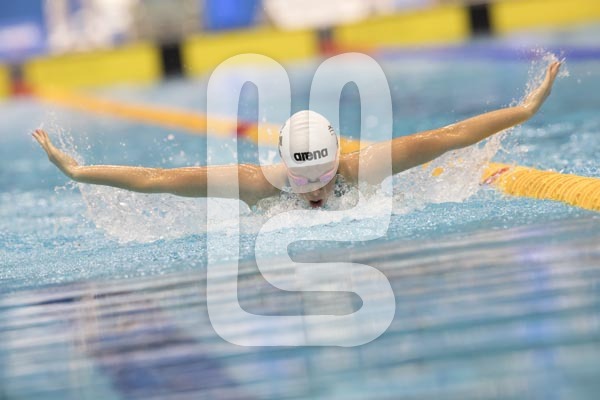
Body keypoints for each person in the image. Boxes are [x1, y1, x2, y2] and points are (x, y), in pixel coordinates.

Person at [33, 62, 561, 209]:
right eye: (304, 181)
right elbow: (157, 179)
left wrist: (523, 109)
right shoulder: (254, 184)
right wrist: (79, 171)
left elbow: (451, 135)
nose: (314, 193)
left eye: (322, 180)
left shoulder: (364, 165)